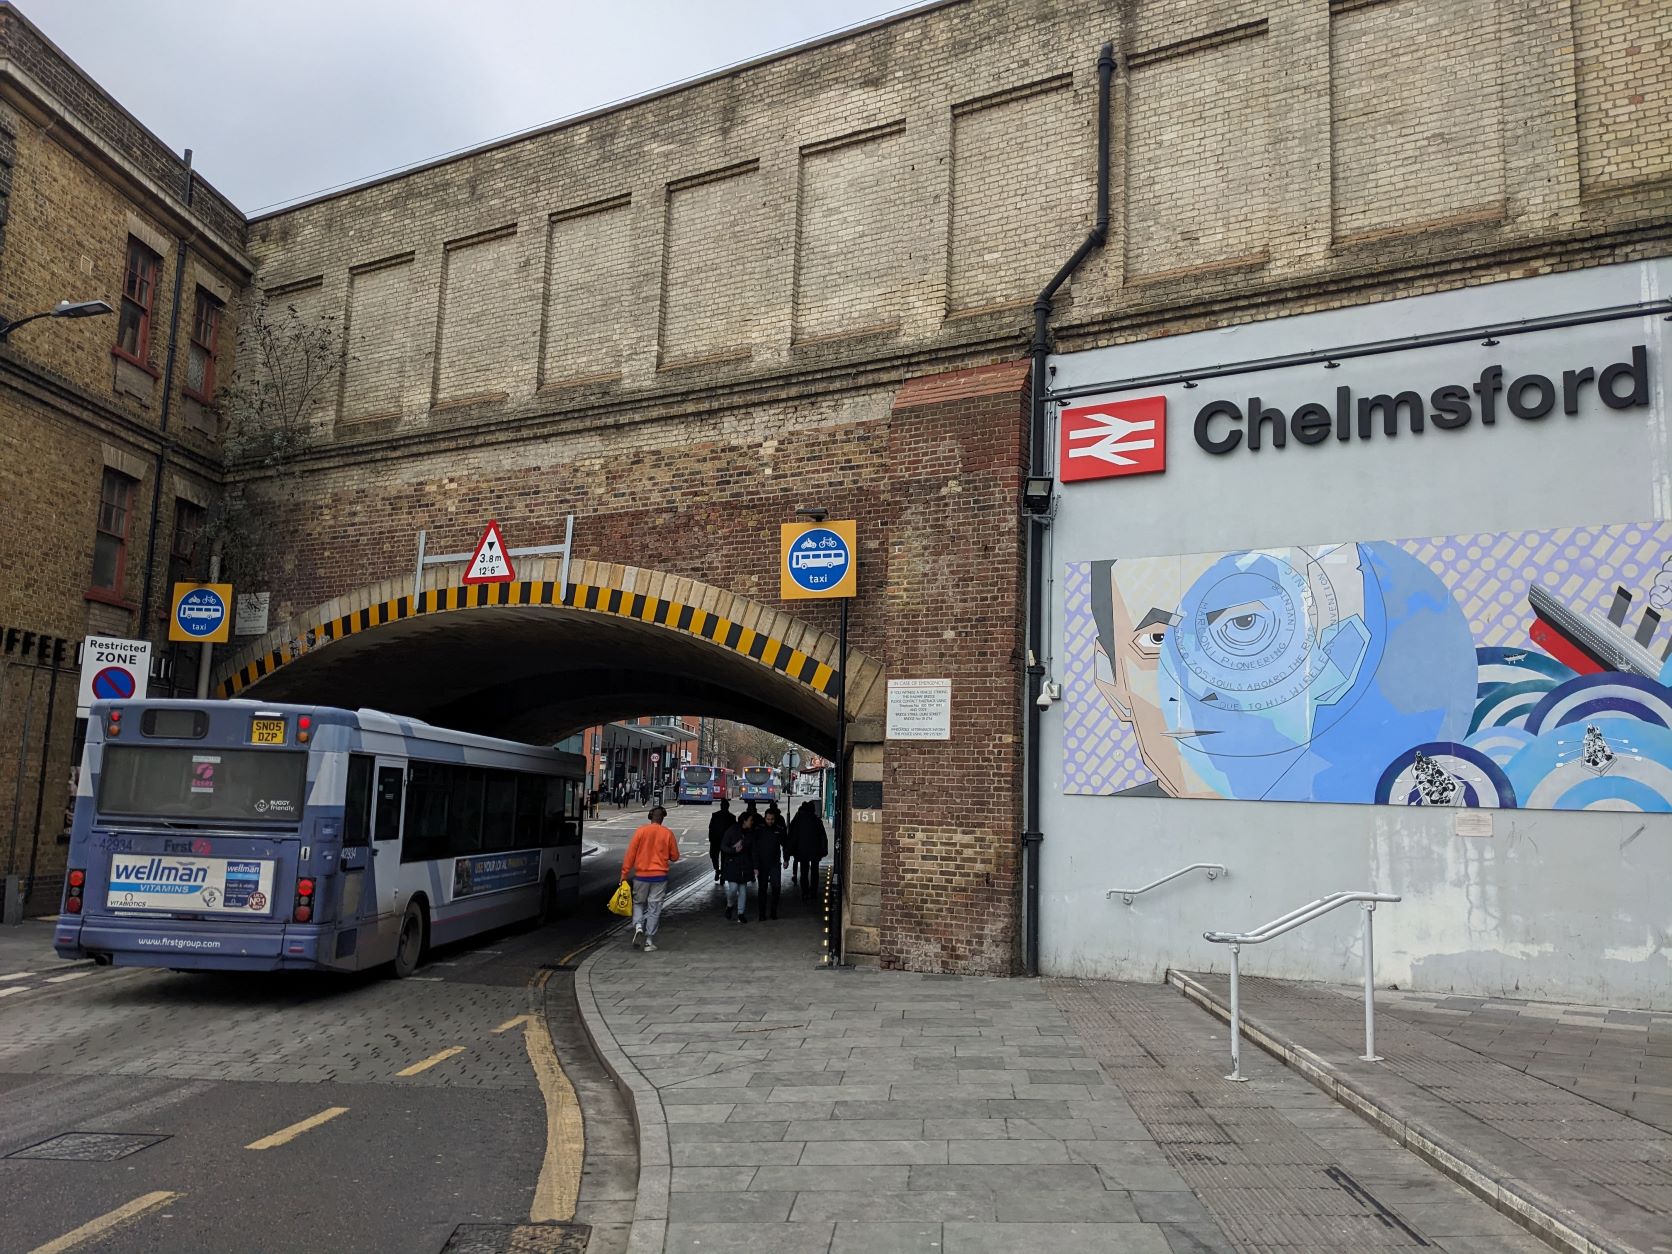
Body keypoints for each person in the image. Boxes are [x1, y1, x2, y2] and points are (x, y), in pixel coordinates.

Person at [621, 806, 680, 952]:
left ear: (650, 816)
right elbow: (675, 856)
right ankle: (649, 941)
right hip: (659, 877)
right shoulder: (667, 834)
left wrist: (624, 874)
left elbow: (630, 855)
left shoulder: (640, 831)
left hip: (641, 876)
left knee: (638, 903)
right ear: (662, 818)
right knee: (654, 908)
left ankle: (638, 926)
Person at [720, 810, 757, 924]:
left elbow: (753, 851)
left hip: (745, 865)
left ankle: (741, 914)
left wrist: (755, 866)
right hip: (733, 865)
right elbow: (723, 846)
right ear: (744, 821)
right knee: (733, 889)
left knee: (743, 891)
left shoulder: (750, 833)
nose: (752, 822)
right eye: (750, 820)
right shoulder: (732, 831)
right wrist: (734, 850)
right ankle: (730, 905)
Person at [789, 801, 828, 902]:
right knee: (815, 871)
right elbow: (823, 837)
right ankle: (814, 892)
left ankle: (805, 892)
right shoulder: (817, 820)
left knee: (804, 871)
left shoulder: (797, 820)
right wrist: (823, 850)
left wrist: (790, 850)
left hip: (802, 851)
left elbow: (792, 835)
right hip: (815, 850)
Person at [754, 806, 787, 920]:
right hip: (762, 864)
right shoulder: (759, 829)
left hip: (774, 863)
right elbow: (755, 848)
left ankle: (773, 912)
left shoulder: (779, 829)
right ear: (765, 818)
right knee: (762, 889)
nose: (770, 821)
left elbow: (785, 844)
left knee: (776, 887)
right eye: (768, 819)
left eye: (772, 819)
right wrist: (755, 865)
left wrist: (786, 859)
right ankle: (762, 914)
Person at [706, 799, 733, 884]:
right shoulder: (731, 817)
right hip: (722, 841)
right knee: (723, 858)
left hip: (717, 841)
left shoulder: (715, 815)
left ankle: (718, 871)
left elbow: (710, 828)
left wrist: (710, 838)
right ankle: (721, 873)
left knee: (715, 857)